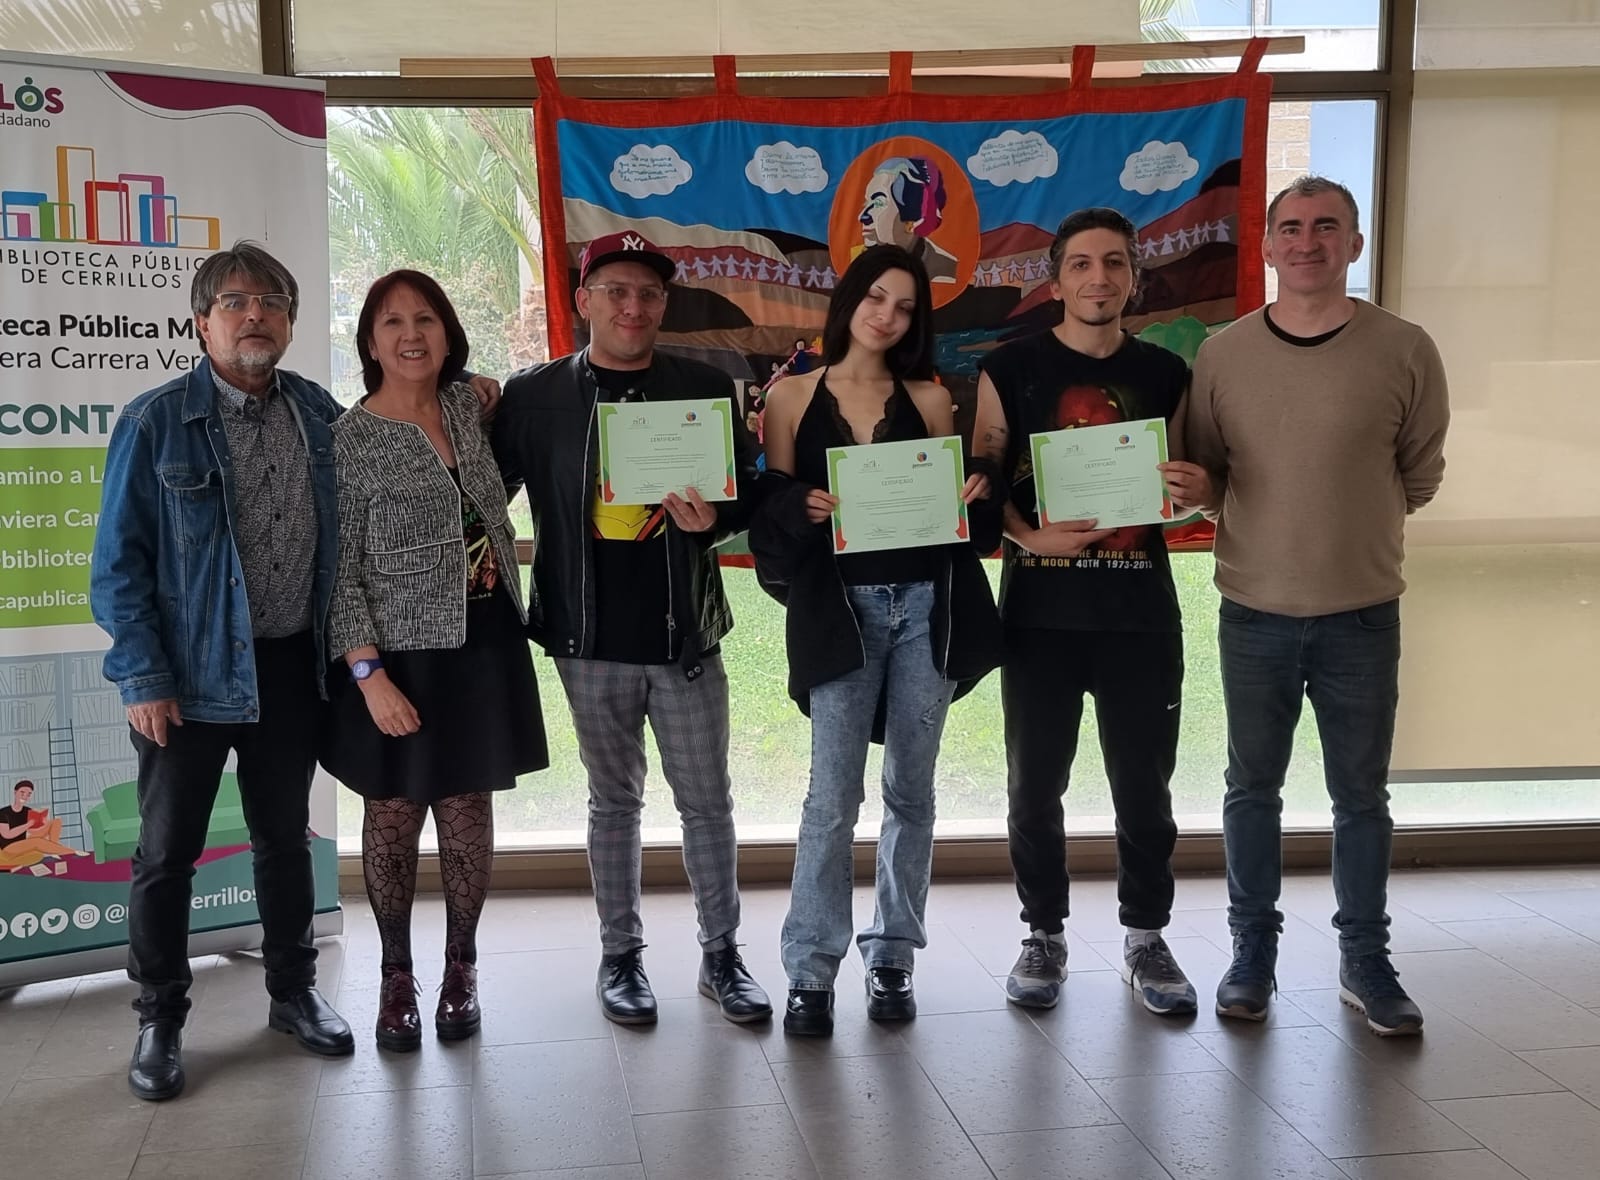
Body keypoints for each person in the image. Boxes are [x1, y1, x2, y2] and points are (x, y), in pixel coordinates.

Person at [89, 240, 499, 1102]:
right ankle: (160, 1016)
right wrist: (142, 676)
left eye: (271, 302)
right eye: (235, 303)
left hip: (290, 669)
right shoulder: (155, 422)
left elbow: (413, 445)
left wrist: (479, 390)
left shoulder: (319, 414)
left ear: (291, 321)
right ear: (201, 322)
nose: (255, 316)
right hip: (190, 677)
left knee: (284, 839)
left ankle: (292, 991)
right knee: (167, 852)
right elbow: (119, 565)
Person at [1176, 176, 1450, 1036]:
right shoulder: (1222, 353)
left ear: (1354, 244)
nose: (1307, 241)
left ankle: (1364, 961)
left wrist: (1347, 522)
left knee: (1360, 798)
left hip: (1362, 613)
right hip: (1254, 609)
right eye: (1289, 228)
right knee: (1251, 790)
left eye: (1326, 226)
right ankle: (1251, 953)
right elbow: (1209, 474)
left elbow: (1419, 470)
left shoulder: (1404, 347)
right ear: (1266, 246)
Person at [492, 230, 772, 1027]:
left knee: (707, 803)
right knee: (613, 804)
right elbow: (484, 490)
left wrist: (717, 516)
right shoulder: (534, 396)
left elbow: (749, 490)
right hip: (588, 642)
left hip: (684, 641)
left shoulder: (703, 387)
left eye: (648, 293)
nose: (632, 306)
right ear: (583, 301)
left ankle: (722, 956)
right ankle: (621, 958)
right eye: (614, 290)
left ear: (663, 306)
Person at [752, 244, 1003, 1037]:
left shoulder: (929, 398)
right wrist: (801, 509)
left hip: (926, 606)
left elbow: (959, 521)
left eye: (904, 306)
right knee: (831, 799)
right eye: (876, 297)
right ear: (850, 299)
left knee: (910, 792)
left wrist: (973, 496)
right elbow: (770, 519)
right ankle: (810, 970)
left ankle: (892, 955)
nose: (886, 315)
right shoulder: (790, 397)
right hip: (840, 612)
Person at [972, 207, 1208, 1016]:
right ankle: (1044, 934)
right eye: (1081, 264)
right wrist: (1033, 538)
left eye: (1114, 263)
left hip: (1140, 613)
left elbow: (1178, 493)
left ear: (1134, 277)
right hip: (1039, 615)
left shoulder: (1166, 375)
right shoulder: (1010, 368)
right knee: (1033, 787)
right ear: (1055, 279)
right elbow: (986, 484)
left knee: (1144, 787)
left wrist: (1191, 495)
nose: (1098, 278)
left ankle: (1146, 937)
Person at [323, 270, 548, 1051]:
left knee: (466, 812)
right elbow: (337, 570)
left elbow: (491, 485)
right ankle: (393, 977)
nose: (410, 334)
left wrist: (483, 389)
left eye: (425, 318)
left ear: (448, 331)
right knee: (392, 814)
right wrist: (368, 673)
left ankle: (461, 969)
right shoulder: (350, 439)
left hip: (484, 645)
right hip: (396, 660)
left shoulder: (466, 407)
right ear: (370, 341)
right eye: (392, 322)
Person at [858, 157, 959, 284]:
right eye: (867, 203)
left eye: (879, 203)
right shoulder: (858, 265)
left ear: (913, 221)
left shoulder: (946, 273)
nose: (862, 216)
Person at [0, 780, 87, 873]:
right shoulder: (3, 813)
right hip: (8, 849)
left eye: (28, 794)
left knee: (56, 822)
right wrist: (27, 825)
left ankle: (54, 850)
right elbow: (7, 834)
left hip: (23, 843)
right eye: (22, 792)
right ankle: (72, 851)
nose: (25, 796)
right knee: (36, 842)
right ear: (15, 792)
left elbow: (32, 831)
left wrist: (43, 823)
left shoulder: (28, 810)